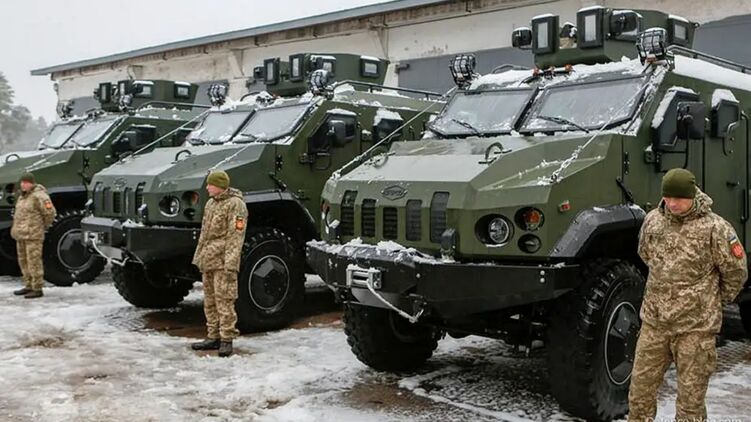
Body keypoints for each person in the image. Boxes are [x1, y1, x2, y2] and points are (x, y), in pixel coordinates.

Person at [629, 168, 748, 422]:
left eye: (679, 198)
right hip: (655, 324)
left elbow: (736, 272)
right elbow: (645, 253)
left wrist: (712, 300)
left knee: (690, 406)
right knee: (639, 396)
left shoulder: (715, 228)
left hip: (695, 329)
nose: (672, 203)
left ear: (692, 195)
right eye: (668, 197)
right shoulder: (653, 220)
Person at [190, 170, 247, 357]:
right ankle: (213, 336)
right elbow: (204, 234)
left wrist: (231, 264)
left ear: (220, 185)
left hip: (223, 261)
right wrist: (199, 257)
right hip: (209, 259)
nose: (207, 187)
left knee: (225, 300)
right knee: (210, 300)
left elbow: (235, 237)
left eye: (210, 184)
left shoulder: (236, 205)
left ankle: (226, 338)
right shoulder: (211, 204)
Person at [10, 172, 56, 299]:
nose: (23, 185)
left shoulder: (40, 196)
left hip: (33, 235)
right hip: (21, 235)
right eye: (22, 183)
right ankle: (28, 285)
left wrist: (42, 226)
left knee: (34, 262)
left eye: (26, 183)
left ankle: (37, 288)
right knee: (23, 261)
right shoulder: (22, 197)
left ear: (32, 183)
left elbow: (50, 213)